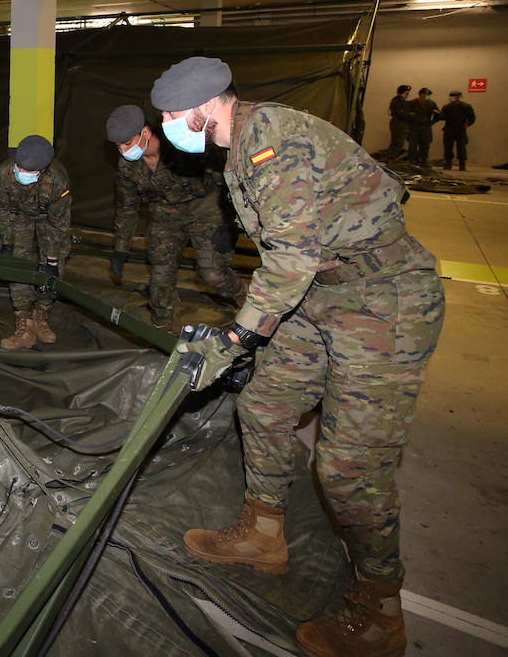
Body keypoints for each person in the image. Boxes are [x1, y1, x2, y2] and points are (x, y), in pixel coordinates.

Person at [151, 56, 443, 657]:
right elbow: (291, 256)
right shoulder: (238, 147)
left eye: (175, 117)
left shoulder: (271, 142)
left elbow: (289, 259)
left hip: (385, 302)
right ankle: (263, 534)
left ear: (209, 107)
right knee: (261, 406)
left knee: (347, 470)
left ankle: (381, 610)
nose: (170, 128)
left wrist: (238, 337)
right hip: (319, 297)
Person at [105, 104, 246, 331]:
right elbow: (127, 206)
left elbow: (227, 181)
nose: (122, 150)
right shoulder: (127, 166)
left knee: (212, 273)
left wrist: (230, 224)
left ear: (146, 132)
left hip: (204, 207)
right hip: (165, 213)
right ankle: (162, 329)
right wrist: (121, 248)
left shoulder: (182, 147)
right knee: (160, 277)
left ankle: (245, 300)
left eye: (127, 143)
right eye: (117, 146)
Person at [0, 134, 71, 349]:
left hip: (47, 217)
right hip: (19, 216)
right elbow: (1, 210)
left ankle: (41, 315)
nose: (22, 175)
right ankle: (23, 323)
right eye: (20, 168)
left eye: (30, 172)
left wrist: (52, 260)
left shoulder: (58, 180)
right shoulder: (5, 173)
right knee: (17, 261)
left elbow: (58, 224)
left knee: (55, 265)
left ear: (43, 170)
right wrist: (6, 241)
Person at [440, 89, 476, 171]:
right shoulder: (446, 107)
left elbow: (472, 117)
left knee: (461, 147)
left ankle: (462, 165)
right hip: (449, 128)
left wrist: (468, 124)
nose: (453, 98)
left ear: (459, 97)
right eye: (451, 96)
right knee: (448, 147)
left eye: (455, 96)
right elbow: (442, 117)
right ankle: (448, 164)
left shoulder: (466, 106)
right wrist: (439, 115)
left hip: (460, 129)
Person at [406, 87, 439, 167]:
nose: (426, 96)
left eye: (428, 95)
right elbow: (406, 114)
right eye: (424, 94)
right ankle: (412, 160)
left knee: (425, 144)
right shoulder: (412, 102)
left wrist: (432, 122)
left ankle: (423, 161)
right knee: (412, 145)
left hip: (426, 126)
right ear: (420, 94)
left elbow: (438, 115)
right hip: (414, 126)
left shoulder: (431, 103)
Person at [383, 84, 413, 162]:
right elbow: (401, 113)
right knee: (398, 143)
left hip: (396, 123)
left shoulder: (396, 100)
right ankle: (391, 159)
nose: (409, 94)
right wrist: (411, 115)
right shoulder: (400, 101)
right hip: (400, 124)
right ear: (406, 92)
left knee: (395, 142)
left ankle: (390, 159)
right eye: (408, 92)